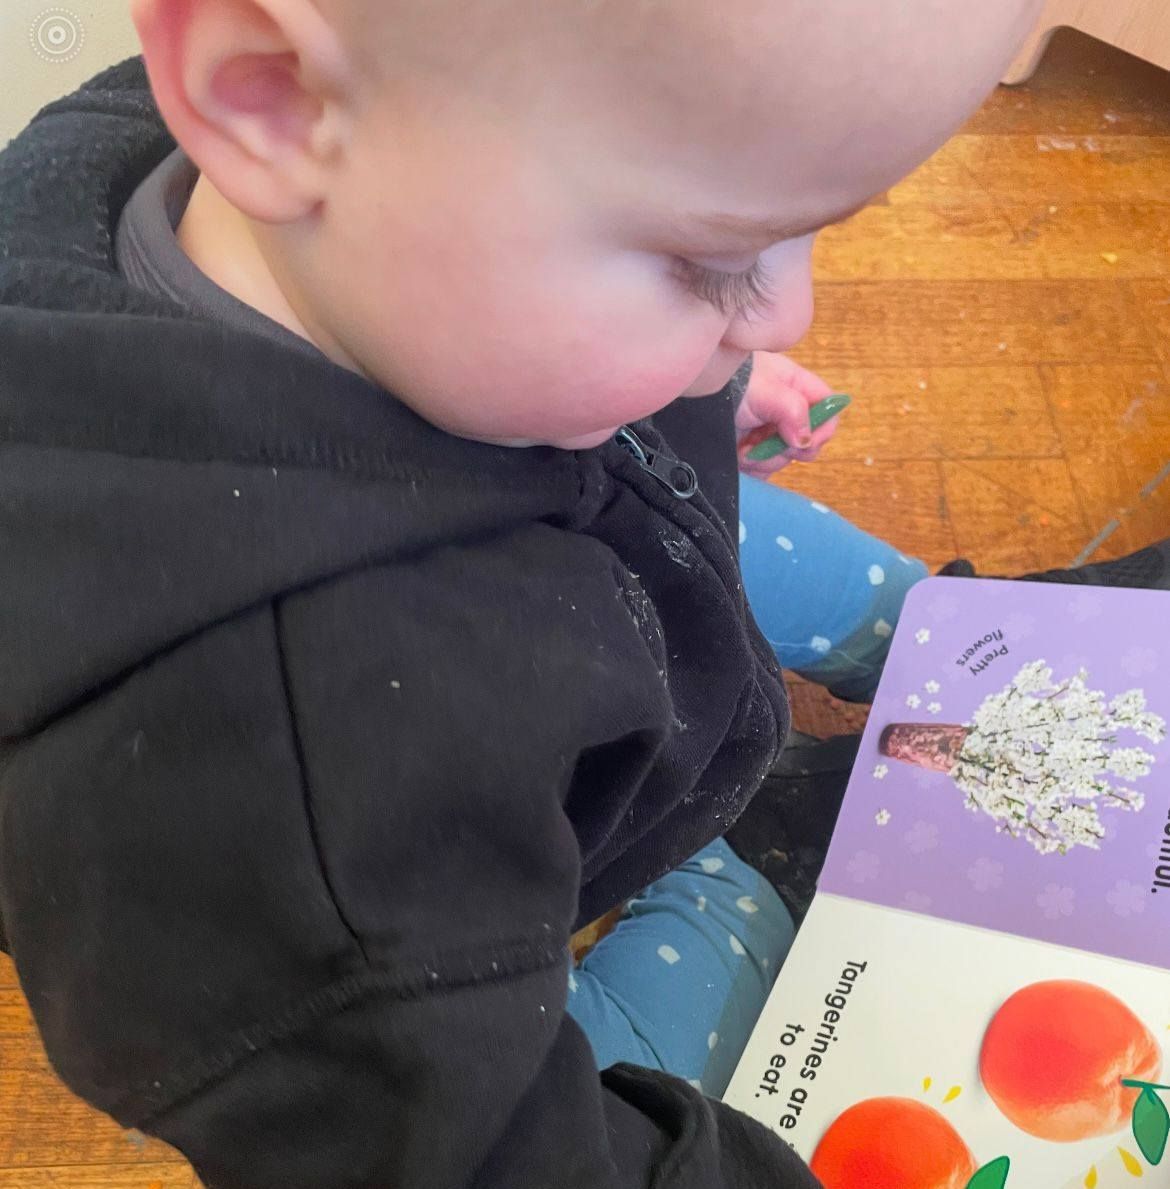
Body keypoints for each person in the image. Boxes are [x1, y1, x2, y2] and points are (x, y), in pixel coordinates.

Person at [0, 0, 1052, 1185]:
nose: (792, 310)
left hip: (594, 527)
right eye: (711, 260)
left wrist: (707, 358)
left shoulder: (280, 180)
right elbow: (471, 1152)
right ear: (265, 97)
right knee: (721, 932)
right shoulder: (302, 811)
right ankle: (743, 856)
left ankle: (956, 644)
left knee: (775, 528)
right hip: (472, 912)